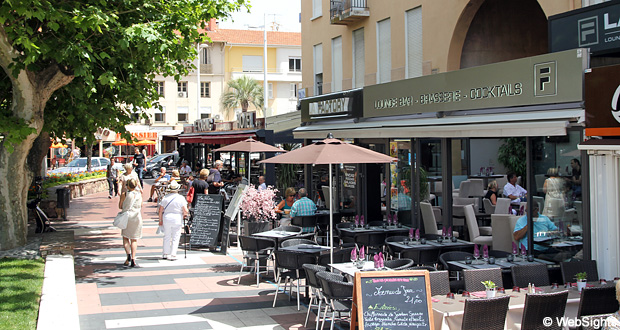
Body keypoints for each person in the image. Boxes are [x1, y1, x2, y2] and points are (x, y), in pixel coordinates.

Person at [158, 180, 188, 261]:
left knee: (167, 236)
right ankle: (173, 254)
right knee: (176, 236)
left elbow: (160, 210)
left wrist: (160, 220)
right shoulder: (181, 198)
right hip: (177, 218)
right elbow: (185, 210)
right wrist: (185, 214)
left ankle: (165, 253)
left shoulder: (165, 197)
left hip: (167, 217)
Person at [119, 178, 143, 267]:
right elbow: (141, 205)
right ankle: (133, 259)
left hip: (127, 216)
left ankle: (128, 254)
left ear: (127, 186)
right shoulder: (139, 194)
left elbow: (120, 206)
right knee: (134, 239)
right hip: (136, 217)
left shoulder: (124, 194)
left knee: (125, 237)